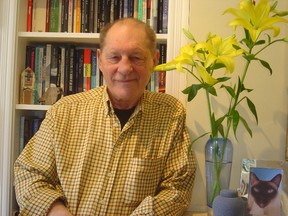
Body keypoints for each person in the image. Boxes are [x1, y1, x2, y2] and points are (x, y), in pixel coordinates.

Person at [14, 18, 197, 216]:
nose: (125, 68)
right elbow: (28, 173)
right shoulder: (64, 111)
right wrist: (56, 211)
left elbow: (177, 189)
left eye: (136, 57)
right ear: (100, 60)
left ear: (154, 60)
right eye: (114, 57)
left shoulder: (171, 113)